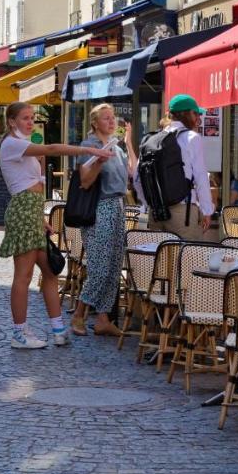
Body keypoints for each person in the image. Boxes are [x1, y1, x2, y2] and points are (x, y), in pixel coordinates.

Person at [0, 101, 114, 349]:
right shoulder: (11, 144)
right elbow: (51, 148)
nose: (30, 122)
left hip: (31, 210)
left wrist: (40, 217)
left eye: (32, 117)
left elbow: (30, 181)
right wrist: (92, 152)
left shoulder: (24, 145)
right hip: (23, 211)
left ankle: (59, 330)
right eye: (25, 118)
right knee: (24, 275)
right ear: (11, 122)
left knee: (50, 272)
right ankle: (19, 333)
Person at [72, 103, 137, 338]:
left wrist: (128, 142)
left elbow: (132, 172)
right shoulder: (89, 145)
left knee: (113, 266)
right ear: (95, 123)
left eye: (113, 118)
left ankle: (102, 318)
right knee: (99, 266)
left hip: (118, 206)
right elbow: (85, 181)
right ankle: (79, 314)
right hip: (100, 207)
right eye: (106, 118)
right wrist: (99, 159)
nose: (112, 122)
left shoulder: (116, 148)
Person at [137, 94, 215, 240]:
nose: (198, 117)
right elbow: (201, 178)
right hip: (182, 213)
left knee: (160, 260)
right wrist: (207, 211)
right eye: (196, 113)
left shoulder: (151, 139)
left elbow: (138, 178)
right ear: (186, 114)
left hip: (156, 212)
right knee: (187, 260)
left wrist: (150, 204)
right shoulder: (192, 138)